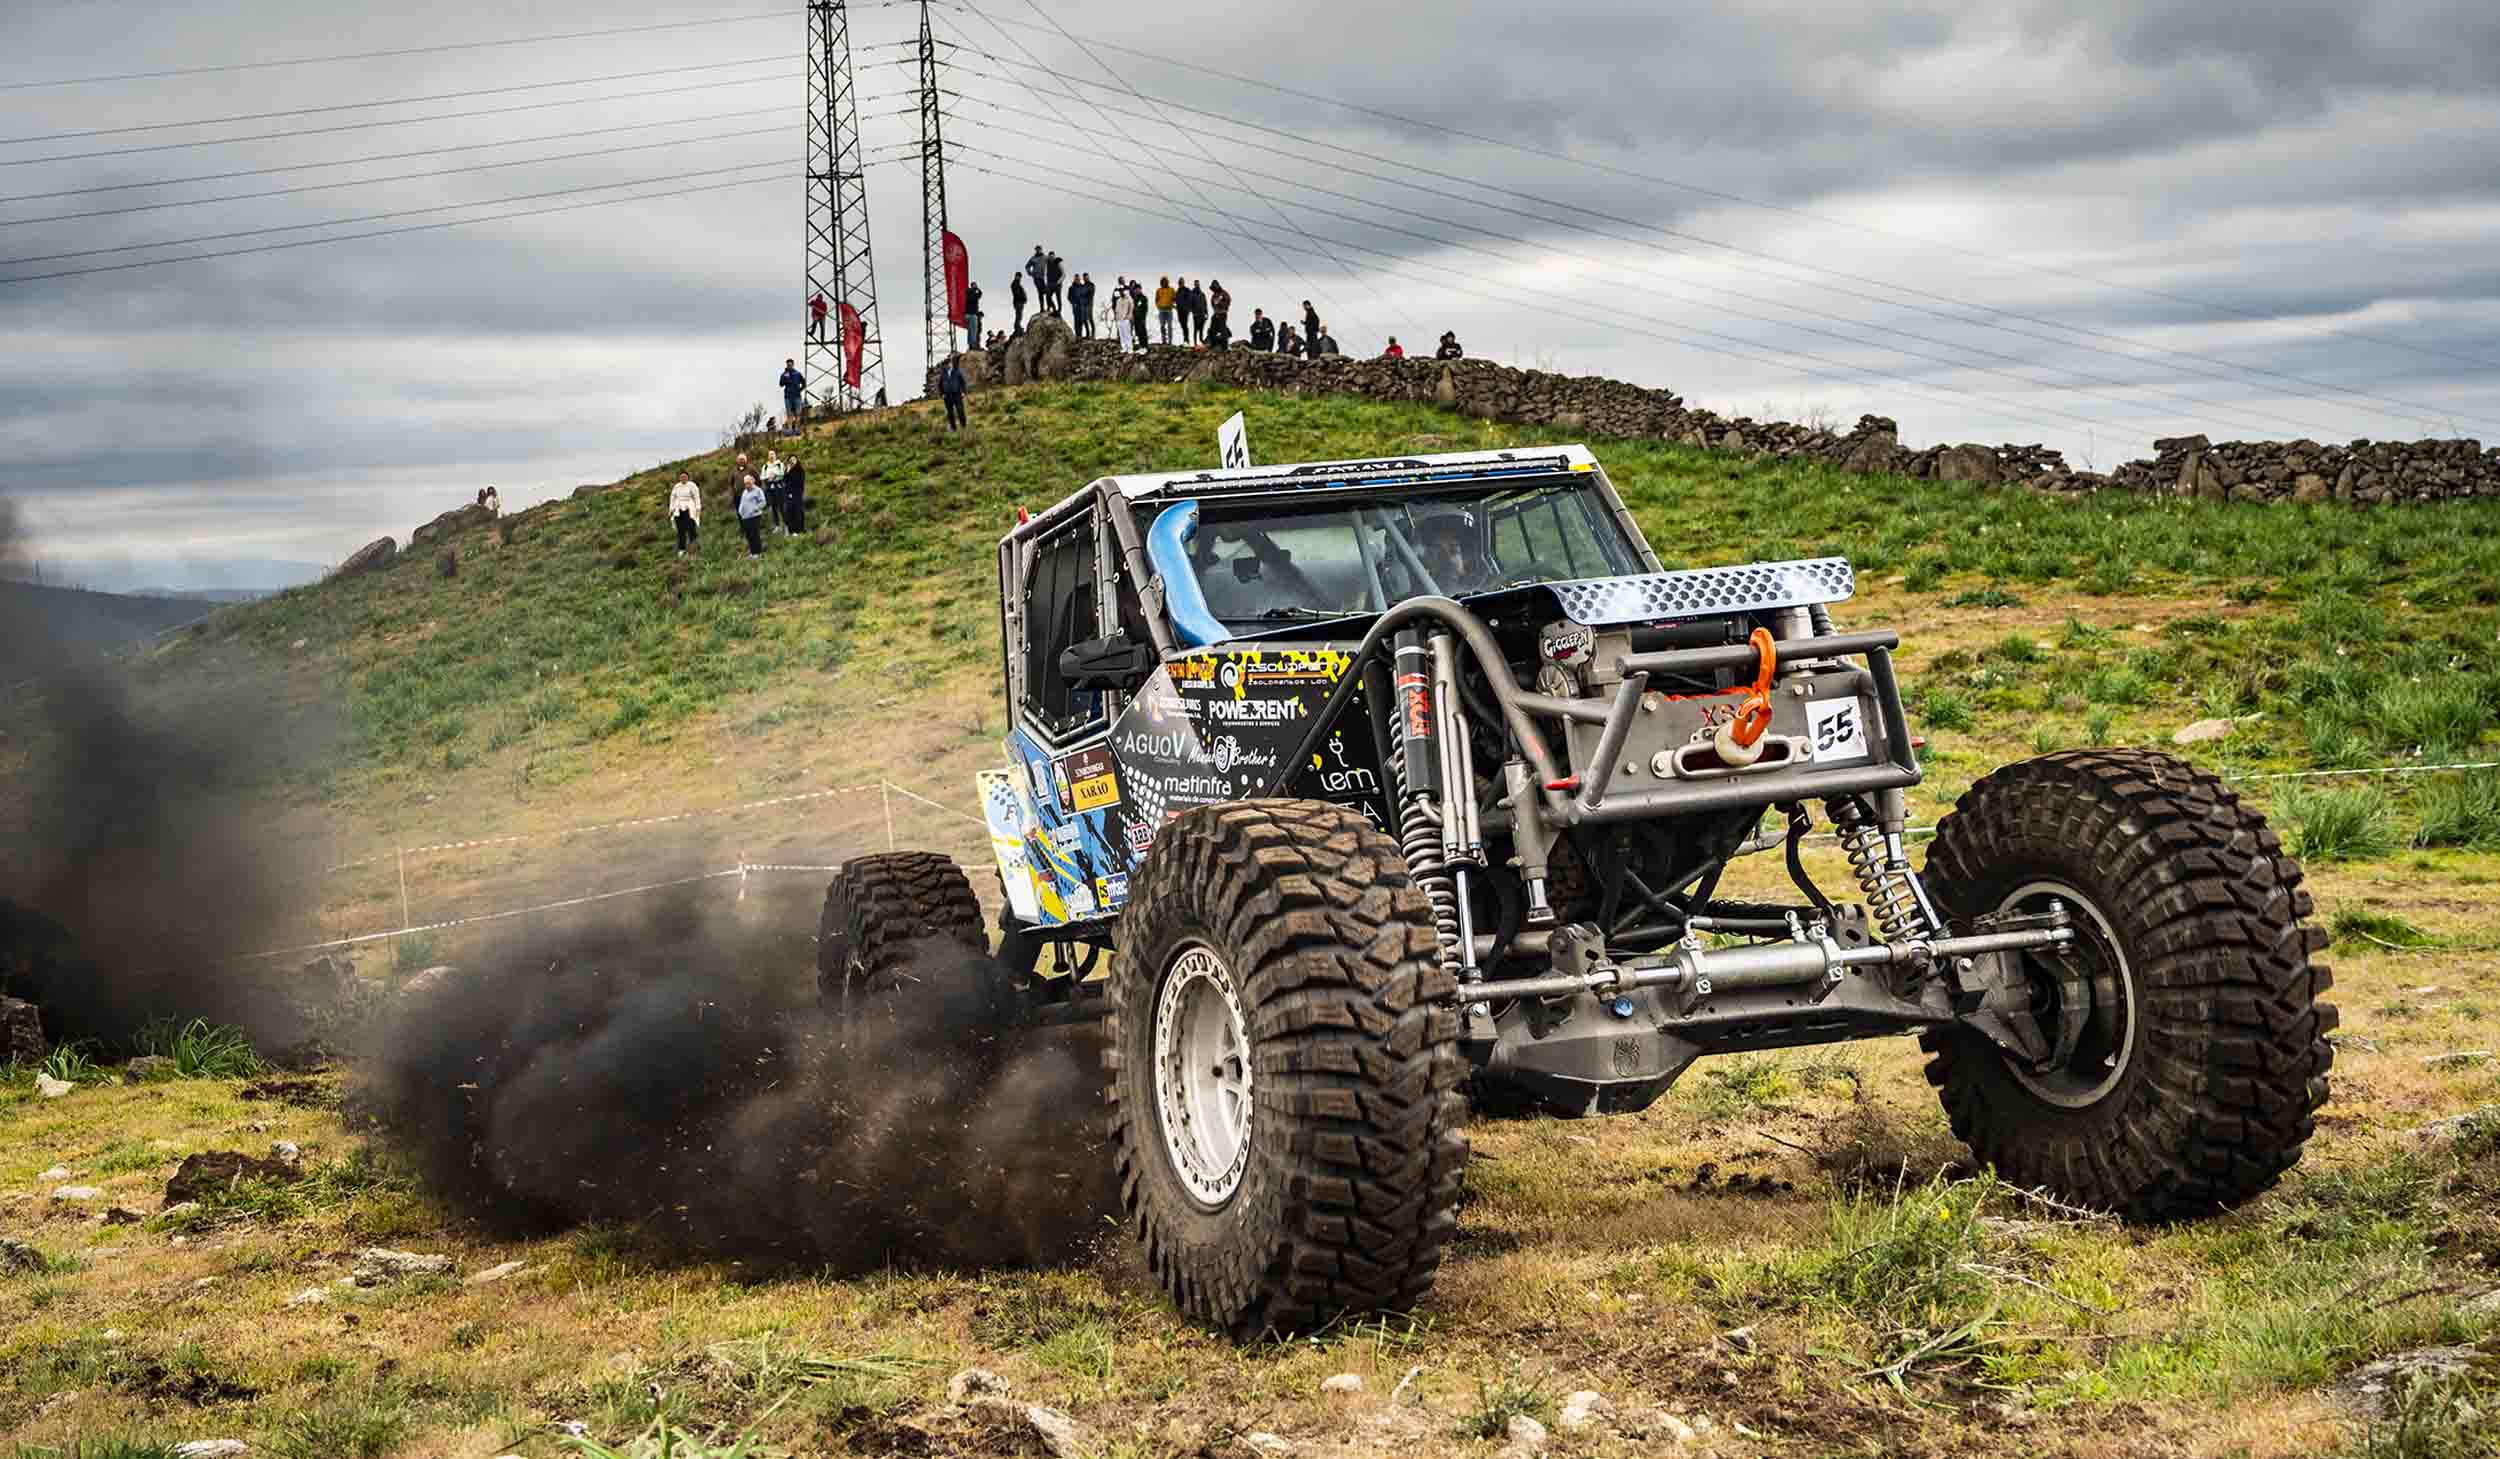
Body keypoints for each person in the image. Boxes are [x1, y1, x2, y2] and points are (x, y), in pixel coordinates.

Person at [1415, 509, 1492, 594]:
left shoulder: (1485, 589)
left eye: (1453, 551)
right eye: (1439, 552)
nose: (1448, 559)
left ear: (1466, 558)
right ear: (1426, 560)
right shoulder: (1418, 597)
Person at [667, 471, 702, 554]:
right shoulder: (677, 486)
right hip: (678, 509)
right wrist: (671, 509)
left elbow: (696, 497)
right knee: (680, 530)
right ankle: (681, 548)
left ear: (688, 477)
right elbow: (672, 498)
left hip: (689, 508)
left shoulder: (692, 485)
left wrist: (698, 509)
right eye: (681, 477)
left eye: (685, 477)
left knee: (691, 528)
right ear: (679, 478)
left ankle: (694, 546)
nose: (683, 478)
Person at [736, 474, 767, 557]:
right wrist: (740, 511)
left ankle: (758, 552)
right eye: (745, 483)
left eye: (748, 483)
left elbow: (763, 502)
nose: (747, 485)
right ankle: (753, 552)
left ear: (752, 481)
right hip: (745, 517)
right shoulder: (745, 491)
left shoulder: (758, 490)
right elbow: (742, 503)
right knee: (749, 535)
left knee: (755, 535)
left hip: (755, 516)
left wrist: (755, 509)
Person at [938, 354, 968, 431]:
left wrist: (963, 392)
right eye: (946, 364)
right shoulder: (943, 374)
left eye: (949, 363)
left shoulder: (957, 372)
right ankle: (953, 428)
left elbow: (963, 382)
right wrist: (942, 394)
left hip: (957, 395)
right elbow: (940, 385)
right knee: (950, 413)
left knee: (960, 410)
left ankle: (964, 426)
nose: (948, 365)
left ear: (951, 364)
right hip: (947, 397)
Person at [759, 449, 786, 526]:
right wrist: (768, 477)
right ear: (768, 456)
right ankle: (777, 525)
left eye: (773, 454)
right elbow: (762, 477)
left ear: (775, 455)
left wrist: (775, 475)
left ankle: (786, 524)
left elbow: (783, 474)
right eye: (770, 455)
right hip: (769, 489)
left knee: (782, 507)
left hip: (779, 487)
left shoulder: (780, 464)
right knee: (773, 508)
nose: (771, 456)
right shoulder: (765, 466)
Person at [782, 454, 807, 535]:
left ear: (797, 461)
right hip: (788, 494)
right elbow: (785, 481)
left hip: (797, 494)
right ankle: (791, 530)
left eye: (794, 459)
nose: (792, 461)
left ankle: (799, 529)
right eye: (791, 460)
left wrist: (794, 493)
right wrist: (788, 471)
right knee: (790, 512)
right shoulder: (787, 470)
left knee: (798, 512)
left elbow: (799, 482)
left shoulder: (800, 470)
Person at [779, 358, 805, 426]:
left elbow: (804, 383)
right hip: (788, 397)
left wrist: (800, 390)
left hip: (797, 396)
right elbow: (781, 384)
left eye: (790, 365)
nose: (789, 366)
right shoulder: (784, 374)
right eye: (788, 365)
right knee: (789, 414)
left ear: (793, 365)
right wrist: (785, 378)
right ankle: (790, 430)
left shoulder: (798, 373)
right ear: (786, 365)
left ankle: (796, 428)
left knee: (797, 413)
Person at [1069, 273, 1095, 339]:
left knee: (1088, 319)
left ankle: (1092, 334)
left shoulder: (1088, 285)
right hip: (1077, 307)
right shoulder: (1072, 288)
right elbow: (1069, 297)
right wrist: (1073, 303)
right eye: (1076, 279)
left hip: (1087, 305)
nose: (1077, 280)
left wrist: (1083, 302)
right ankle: (1079, 335)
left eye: (1078, 279)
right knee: (1078, 321)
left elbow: (1089, 296)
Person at [1154, 276, 1176, 345]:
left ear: (1167, 282)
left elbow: (1174, 298)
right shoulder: (1158, 290)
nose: (1164, 282)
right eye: (1163, 281)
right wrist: (1158, 306)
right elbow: (1156, 299)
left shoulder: (1171, 289)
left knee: (1169, 326)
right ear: (1161, 283)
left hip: (1169, 310)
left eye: (1165, 281)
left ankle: (1170, 341)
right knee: (1162, 326)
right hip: (1161, 310)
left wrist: (1173, 304)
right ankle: (1164, 340)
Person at [961, 280, 983, 351]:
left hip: (967, 314)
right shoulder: (972, 294)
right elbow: (979, 294)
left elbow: (980, 294)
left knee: (970, 330)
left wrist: (976, 289)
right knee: (973, 330)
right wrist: (976, 288)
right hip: (972, 314)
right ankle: (973, 345)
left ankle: (970, 344)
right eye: (975, 285)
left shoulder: (969, 293)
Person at [1129, 282, 1149, 352]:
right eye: (1135, 289)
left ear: (1140, 289)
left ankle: (1145, 346)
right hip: (1136, 318)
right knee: (1138, 332)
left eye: (1138, 289)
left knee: (1142, 331)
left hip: (1141, 318)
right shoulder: (1134, 298)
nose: (1137, 290)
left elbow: (1144, 308)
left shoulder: (1143, 298)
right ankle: (1141, 346)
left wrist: (1142, 317)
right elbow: (1133, 308)